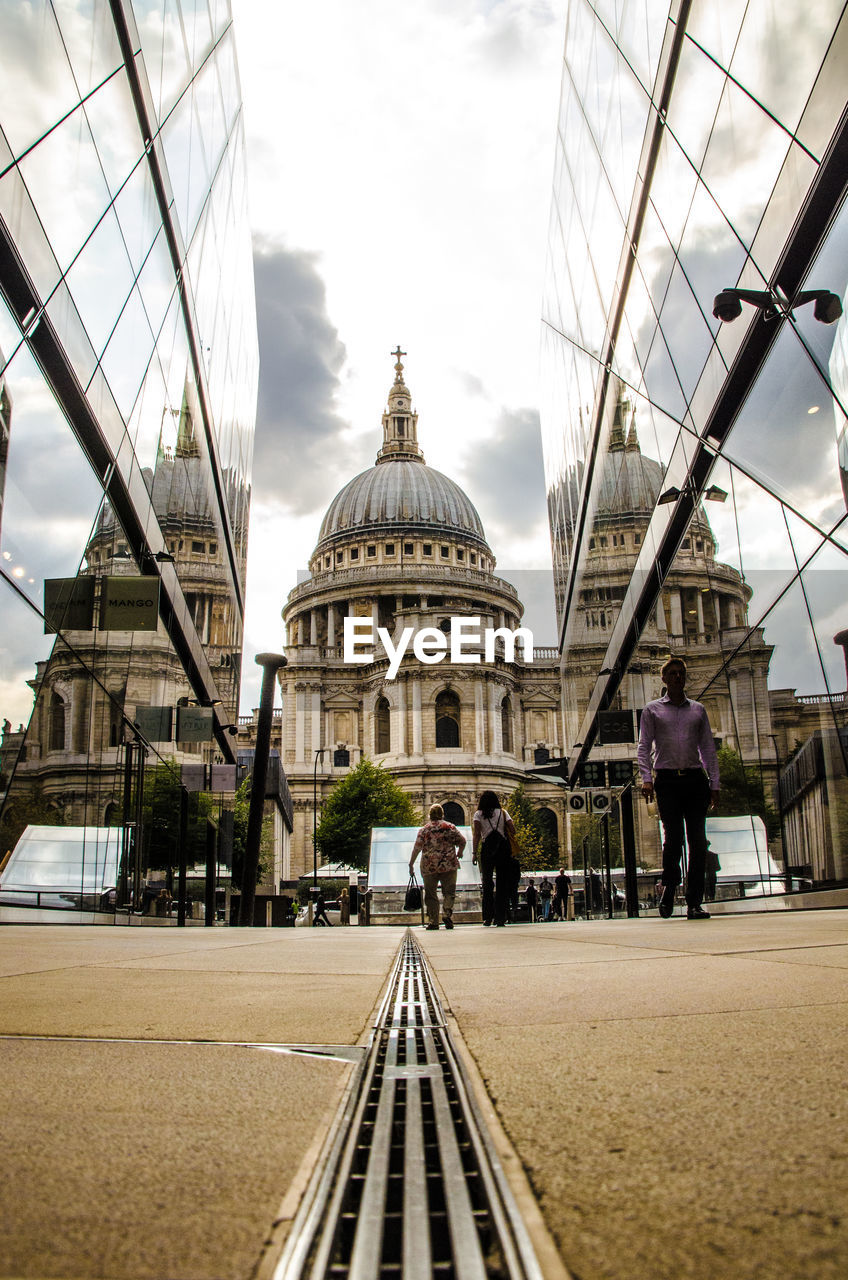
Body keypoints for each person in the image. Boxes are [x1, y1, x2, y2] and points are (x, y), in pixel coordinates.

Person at [637, 655, 720, 920]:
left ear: (685, 677)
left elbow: (708, 747)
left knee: (697, 842)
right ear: (664, 679)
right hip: (667, 780)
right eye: (672, 673)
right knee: (672, 840)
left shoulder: (698, 709)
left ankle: (695, 902)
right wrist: (646, 778)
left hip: (695, 779)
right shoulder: (652, 710)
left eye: (680, 673)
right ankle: (670, 888)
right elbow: (644, 746)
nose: (677, 677)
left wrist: (714, 783)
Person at [409, 804, 466, 930]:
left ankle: (434, 921)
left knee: (431, 895)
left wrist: (411, 863)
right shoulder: (450, 827)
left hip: (429, 866)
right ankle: (446, 914)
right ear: (442, 814)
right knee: (449, 893)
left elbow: (417, 848)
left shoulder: (424, 830)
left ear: (430, 815)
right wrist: (460, 852)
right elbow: (462, 841)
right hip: (449, 864)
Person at [472, 791, 517, 927]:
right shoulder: (503, 812)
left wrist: (474, 853)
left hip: (487, 849)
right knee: (502, 883)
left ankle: (487, 917)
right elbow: (513, 830)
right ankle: (500, 917)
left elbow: (476, 835)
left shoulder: (478, 814)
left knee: (487, 882)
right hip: (503, 848)